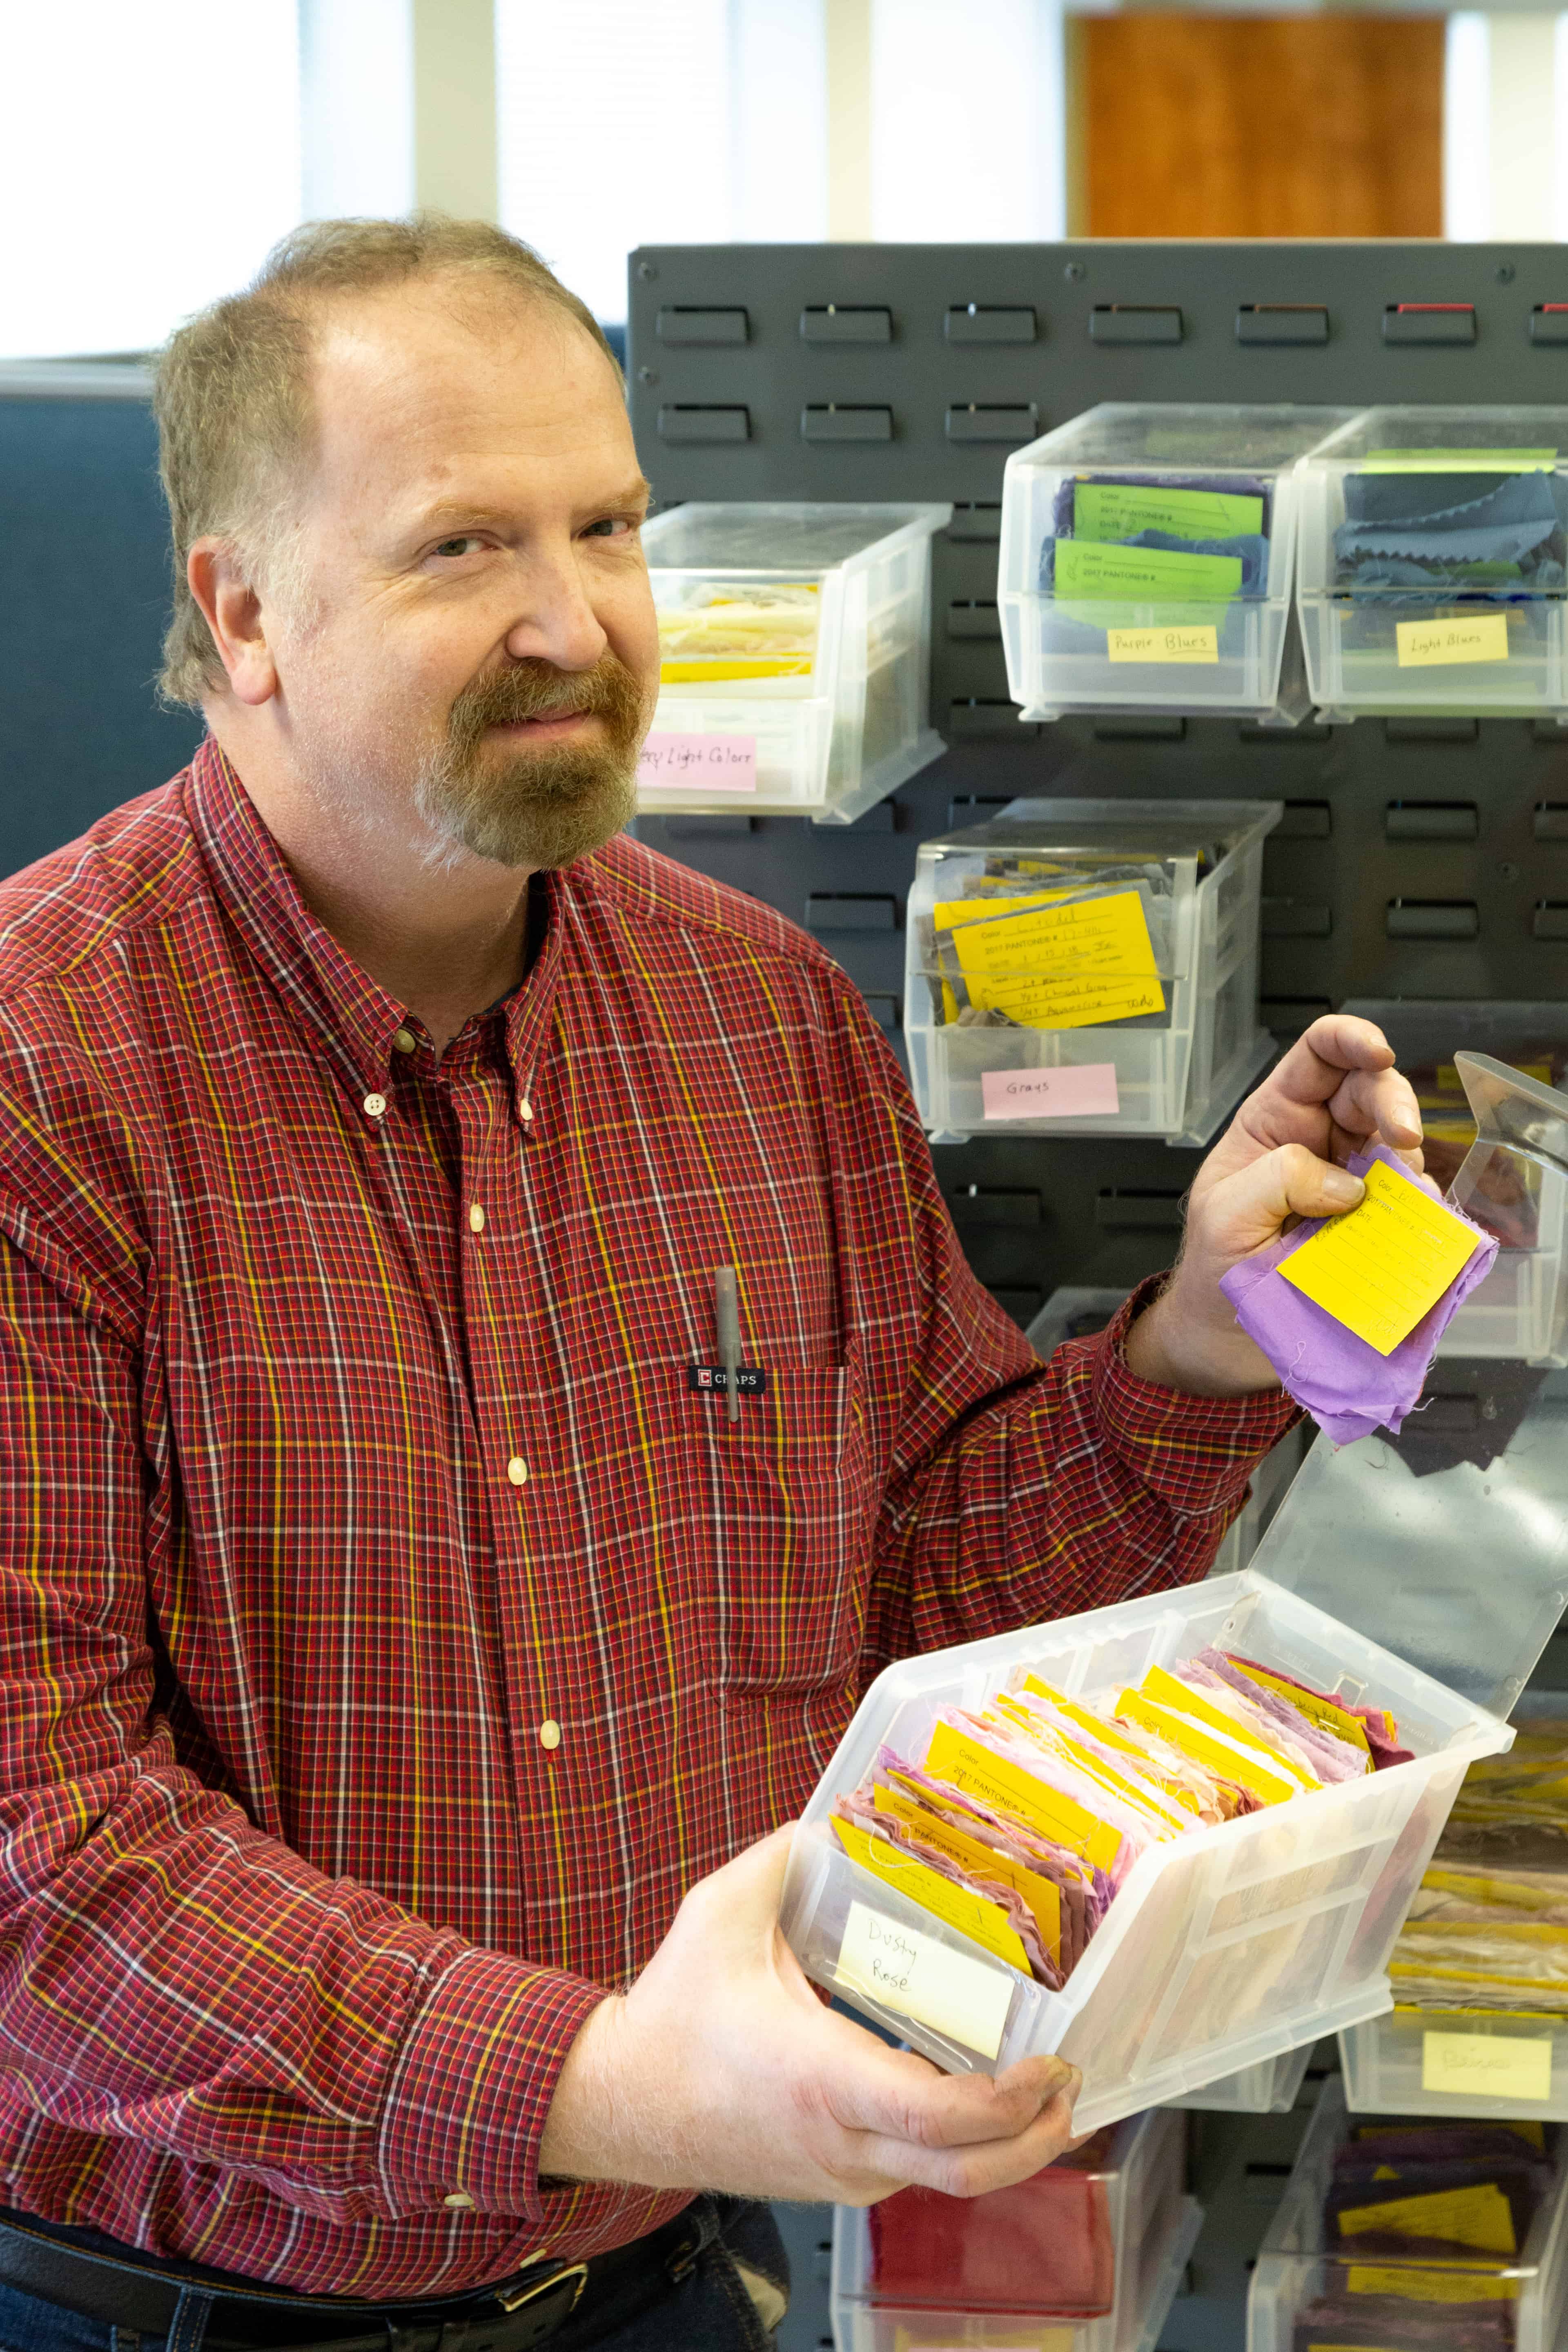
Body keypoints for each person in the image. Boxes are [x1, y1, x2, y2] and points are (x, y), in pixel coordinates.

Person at [0, 217, 1423, 2352]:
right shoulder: (45, 1072)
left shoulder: (755, 1015)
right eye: (463, 547)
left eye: (610, 524)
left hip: (662, 2288)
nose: (576, 619)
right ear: (244, 611)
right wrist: (603, 2083)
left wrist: (1205, 1336)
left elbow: (922, 1572)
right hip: (170, 2316)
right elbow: (45, 1849)